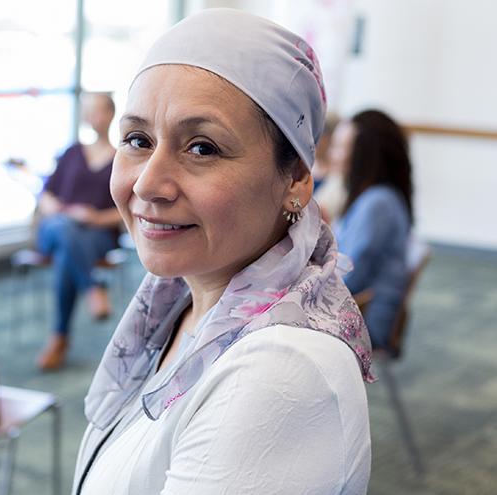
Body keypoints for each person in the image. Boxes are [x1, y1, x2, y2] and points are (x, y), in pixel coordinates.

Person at [74, 10, 374, 494]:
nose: (148, 183)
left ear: (295, 179)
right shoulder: (180, 304)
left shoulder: (280, 371)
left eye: (202, 148)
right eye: (137, 140)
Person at [35, 92, 124, 371]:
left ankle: (59, 337)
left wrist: (95, 217)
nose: (90, 117)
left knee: (66, 254)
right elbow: (46, 195)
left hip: (95, 234)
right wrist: (62, 213)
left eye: (96, 111)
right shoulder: (72, 152)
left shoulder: (121, 159)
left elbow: (127, 211)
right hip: (55, 227)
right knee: (65, 229)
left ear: (110, 114)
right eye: (87, 111)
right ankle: (92, 288)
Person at [332, 109, 414, 352]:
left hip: (366, 320)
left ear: (362, 155)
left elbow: (350, 275)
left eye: (339, 147)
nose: (332, 154)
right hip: (362, 309)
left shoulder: (377, 203)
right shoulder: (380, 197)